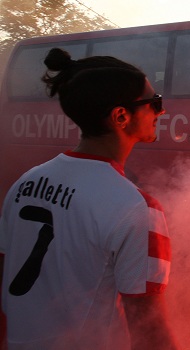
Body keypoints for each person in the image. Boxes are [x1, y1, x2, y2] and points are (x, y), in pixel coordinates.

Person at [0, 48, 178, 349]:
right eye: (154, 103)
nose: (162, 112)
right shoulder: (137, 209)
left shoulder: (24, 182)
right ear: (121, 116)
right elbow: (151, 335)